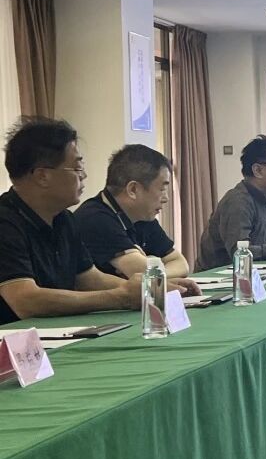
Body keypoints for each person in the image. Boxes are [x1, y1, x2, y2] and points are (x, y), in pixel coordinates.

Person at [0, 119, 140, 324]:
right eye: (77, 168)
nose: (84, 175)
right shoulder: (5, 222)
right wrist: (120, 298)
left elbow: (89, 279)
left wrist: (148, 290)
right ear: (42, 176)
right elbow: (26, 300)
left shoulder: (63, 218)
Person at [74, 144, 190, 279]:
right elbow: (141, 271)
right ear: (133, 190)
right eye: (162, 189)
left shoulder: (142, 216)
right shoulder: (95, 218)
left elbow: (181, 264)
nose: (166, 198)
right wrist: (153, 266)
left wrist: (155, 271)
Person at [197, 136, 266, 270]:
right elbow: (240, 252)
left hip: (262, 272)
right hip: (221, 277)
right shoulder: (238, 201)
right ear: (258, 170)